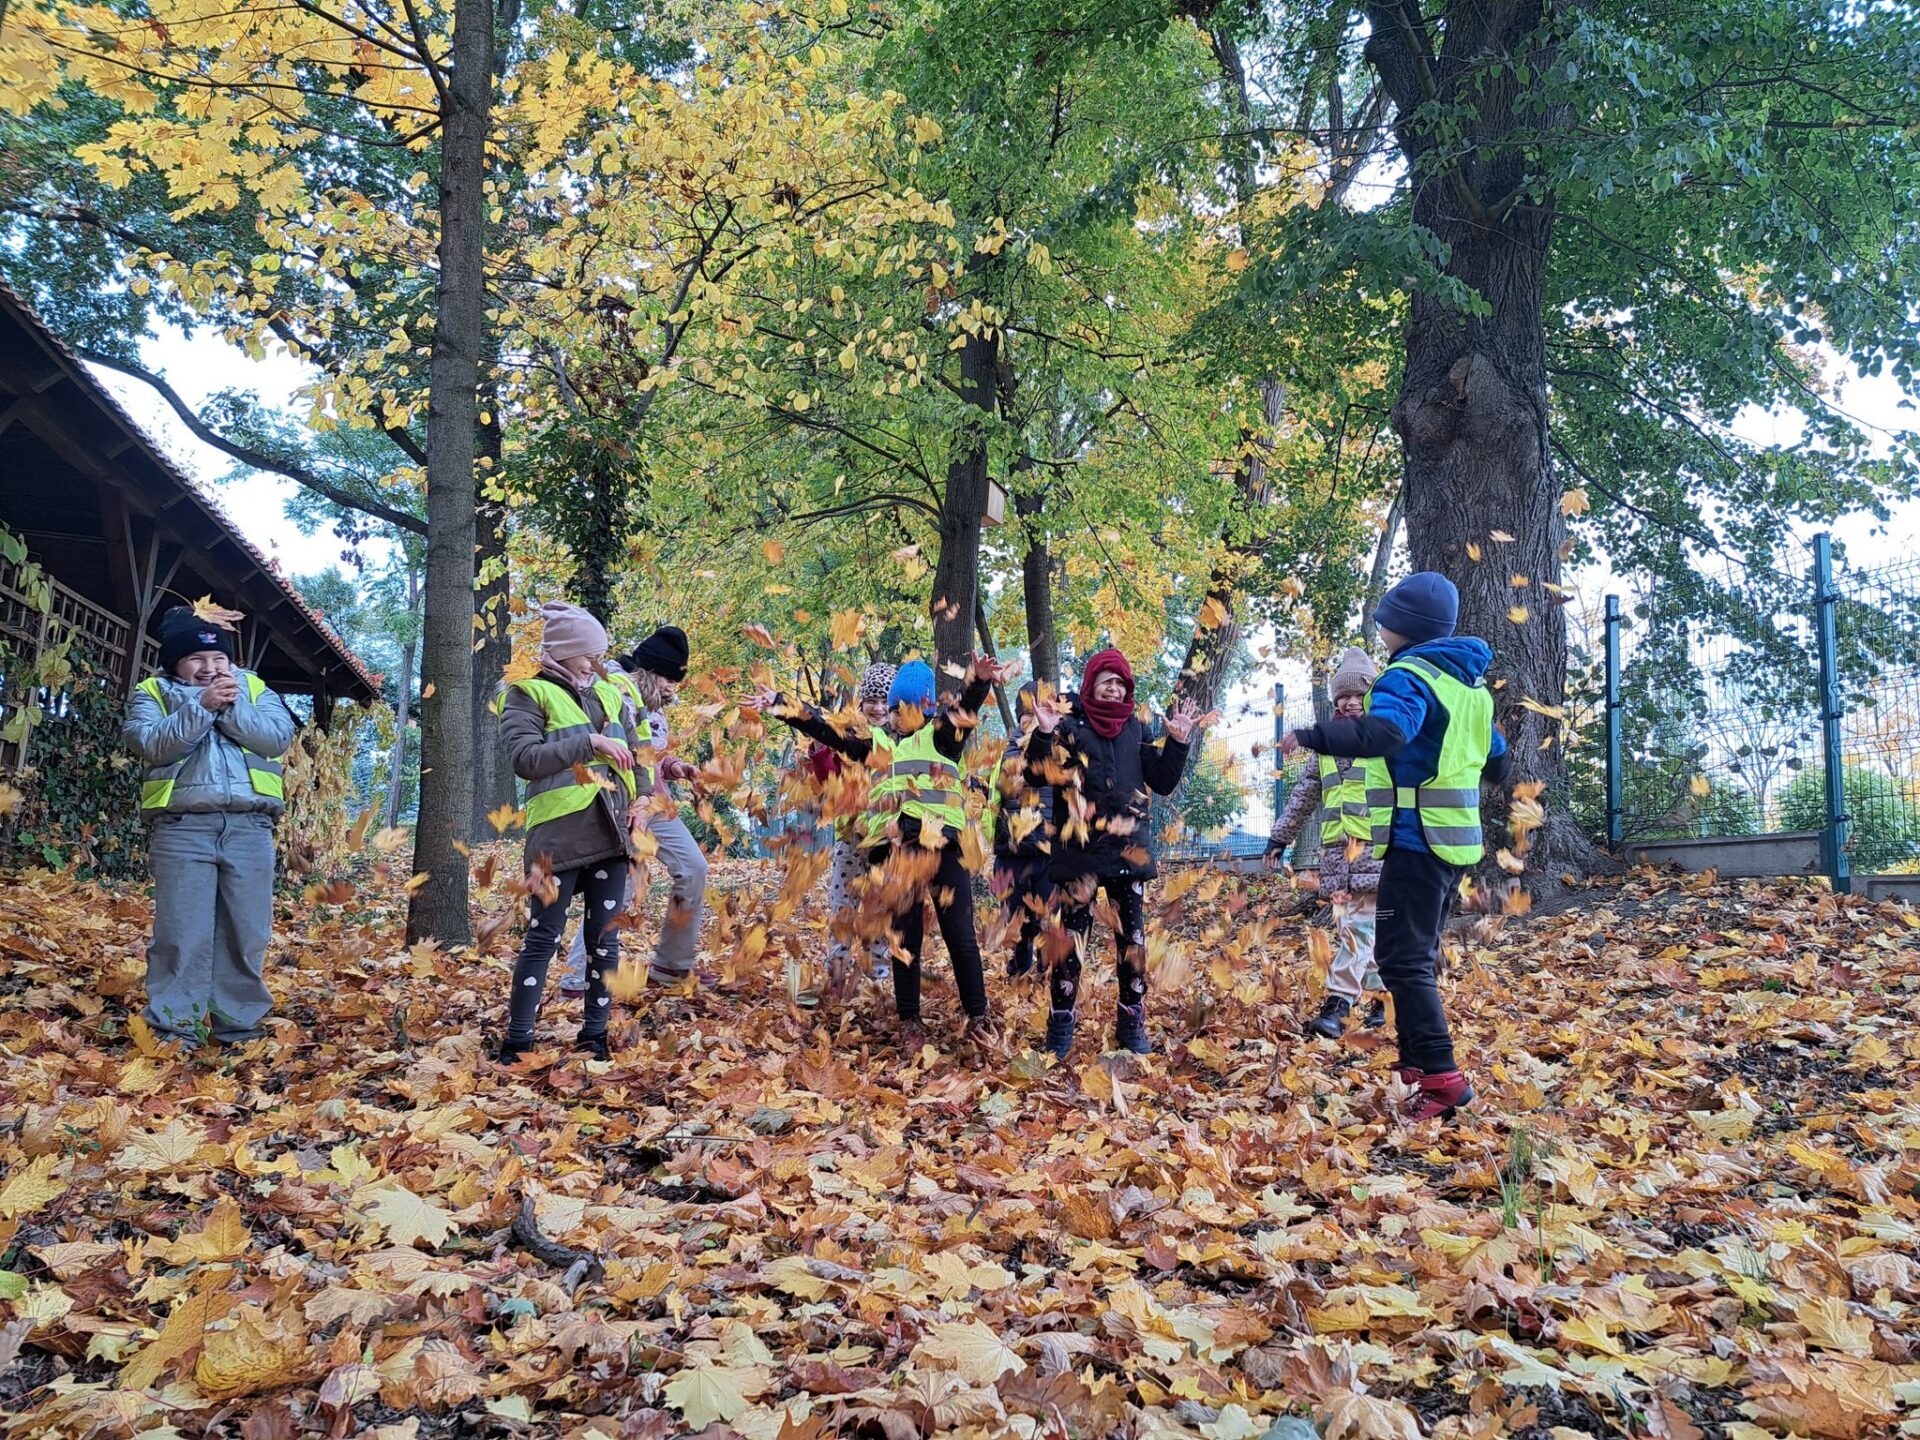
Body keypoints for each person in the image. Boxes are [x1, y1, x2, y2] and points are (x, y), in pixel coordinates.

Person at [1280, 573, 1508, 1120]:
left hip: (1416, 839)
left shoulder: (1407, 676)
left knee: (1403, 960)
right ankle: (1416, 1066)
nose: (1381, 629)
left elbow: (1386, 733)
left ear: (1401, 626)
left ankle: (1443, 1080)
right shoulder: (1470, 690)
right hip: (1455, 843)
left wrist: (1310, 736)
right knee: (1408, 955)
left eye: (1384, 620)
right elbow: (1498, 764)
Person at [748, 655, 1016, 1049]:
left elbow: (966, 708)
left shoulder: (942, 736)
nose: (897, 716)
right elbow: (825, 727)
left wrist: (978, 680)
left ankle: (978, 1015)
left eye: (907, 708)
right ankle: (910, 1021)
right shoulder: (875, 744)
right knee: (904, 940)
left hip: (944, 851)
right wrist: (781, 704)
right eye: (894, 709)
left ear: (926, 708)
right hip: (895, 855)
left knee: (960, 936)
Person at [124, 605, 296, 1047]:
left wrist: (229, 708)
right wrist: (200, 708)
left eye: (219, 658)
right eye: (196, 659)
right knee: (181, 932)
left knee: (247, 931)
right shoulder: (151, 693)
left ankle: (238, 1027)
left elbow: (276, 738)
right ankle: (173, 1029)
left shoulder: (254, 688)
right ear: (175, 663)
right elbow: (152, 744)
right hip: (182, 828)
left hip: (250, 827)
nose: (210, 668)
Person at [1025, 649, 1203, 1058]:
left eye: (1120, 683)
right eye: (1106, 681)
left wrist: (1178, 743)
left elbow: (1162, 781)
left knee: (1132, 943)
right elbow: (1036, 776)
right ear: (1091, 685)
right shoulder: (1069, 726)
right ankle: (1061, 1023)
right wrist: (1044, 735)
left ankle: (1131, 1021)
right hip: (1080, 855)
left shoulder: (1136, 728)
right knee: (1070, 944)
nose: (1113, 688)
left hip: (1128, 855)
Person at [495, 601, 639, 1063]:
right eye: (586, 654)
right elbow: (524, 759)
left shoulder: (610, 696)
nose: (594, 664)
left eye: (599, 655)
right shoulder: (527, 693)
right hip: (556, 838)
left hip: (611, 835)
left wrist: (641, 804)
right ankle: (518, 1041)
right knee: (544, 936)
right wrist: (589, 743)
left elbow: (637, 755)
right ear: (560, 650)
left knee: (604, 940)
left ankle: (594, 1036)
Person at [558, 625, 707, 994]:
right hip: (619, 805)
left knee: (692, 867)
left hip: (653, 803)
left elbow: (649, 755)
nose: (672, 688)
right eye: (669, 678)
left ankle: (672, 964)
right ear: (650, 671)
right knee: (619, 887)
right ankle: (578, 977)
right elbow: (608, 754)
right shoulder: (613, 692)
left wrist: (674, 767)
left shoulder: (649, 704)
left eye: (677, 680)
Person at [1266, 646, 1387, 1039]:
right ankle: (1382, 1001)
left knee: (1359, 928)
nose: (1350, 702)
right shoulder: (1325, 749)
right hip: (1338, 859)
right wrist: (1279, 838)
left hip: (1377, 852)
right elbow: (1302, 797)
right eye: (1342, 696)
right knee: (1362, 929)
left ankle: (1338, 1003)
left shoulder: (1385, 739)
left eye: (1358, 694)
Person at [989, 681, 1058, 979]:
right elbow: (993, 798)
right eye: (1028, 713)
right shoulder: (1005, 752)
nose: (1035, 718)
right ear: (1019, 717)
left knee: (1047, 916)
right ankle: (1019, 967)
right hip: (1012, 851)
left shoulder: (1058, 752)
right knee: (1016, 916)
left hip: (1046, 850)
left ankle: (1046, 969)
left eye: (1041, 711)